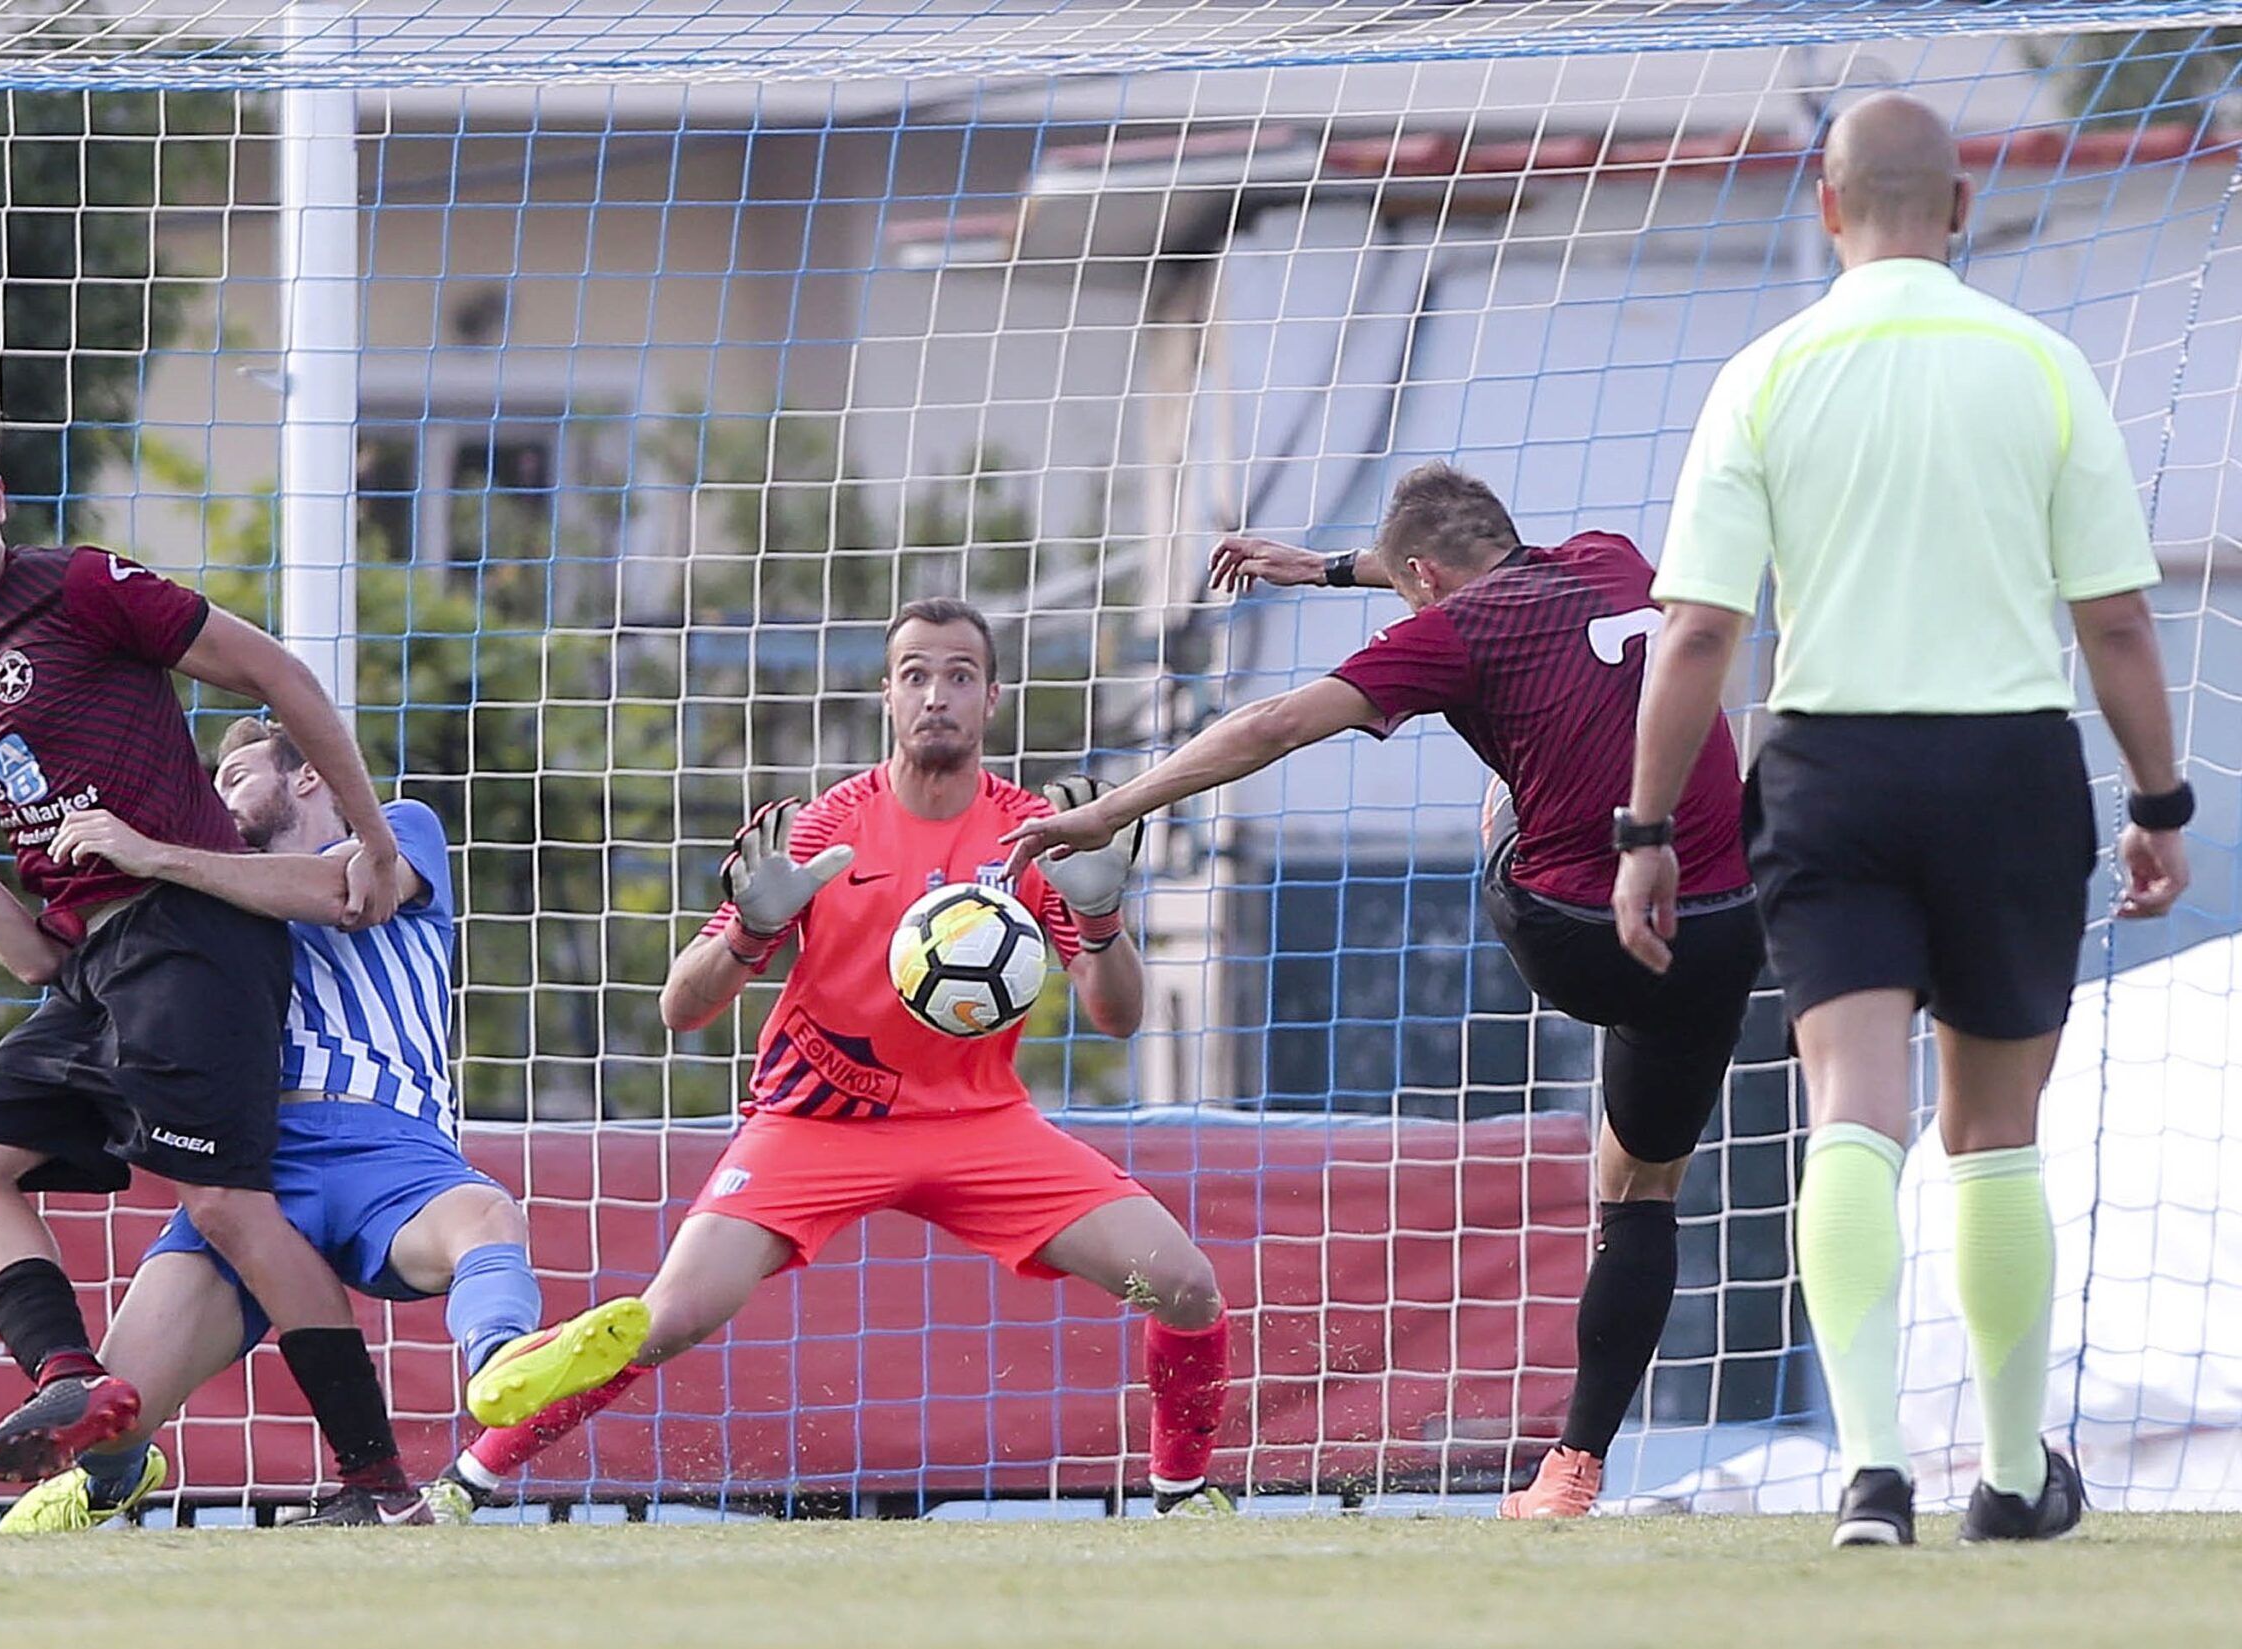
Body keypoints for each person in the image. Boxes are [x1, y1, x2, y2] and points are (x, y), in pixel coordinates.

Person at [1613, 91, 2189, 1548]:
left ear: (1825, 204)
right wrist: (2161, 801)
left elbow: (1695, 636)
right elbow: (2115, 620)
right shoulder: (2045, 367)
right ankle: (2006, 1479)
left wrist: (1644, 829)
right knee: (1995, 1131)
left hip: (1831, 772)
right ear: (1962, 204)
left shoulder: (1765, 371)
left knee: (1848, 1111)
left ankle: (1870, 1469)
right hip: (2008, 771)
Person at [1005, 463, 1764, 1519]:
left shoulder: (1449, 633)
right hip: (1716, 924)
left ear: (1418, 578)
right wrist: (1322, 571)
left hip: (1574, 930)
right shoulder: (1610, 554)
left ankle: (1568, 1472)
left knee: (1505, 796)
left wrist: (1109, 811)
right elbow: (1440, 552)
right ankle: (1571, 1471)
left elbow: (1271, 725)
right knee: (1638, 1194)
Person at [432, 596, 1236, 1518]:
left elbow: (1118, 1015)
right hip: (816, 1125)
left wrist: (1098, 917)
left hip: (981, 1129)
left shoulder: (1033, 832)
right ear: (887, 695)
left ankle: (1181, 1492)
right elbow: (679, 1008)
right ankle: (468, 1483)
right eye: (916, 675)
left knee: (1178, 1284)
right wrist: (752, 928)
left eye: (960, 676)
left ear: (993, 698)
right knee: (665, 1323)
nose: (938, 694)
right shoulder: (824, 828)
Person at [0, 367, 422, 1520]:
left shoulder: (78, 587)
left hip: (195, 934)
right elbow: (27, 954)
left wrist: (367, 836)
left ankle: (375, 1479)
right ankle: (82, 1393)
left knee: (226, 1205)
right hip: (93, 974)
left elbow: (276, 671)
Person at [0, 717, 648, 1530]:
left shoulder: (397, 829)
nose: (219, 796)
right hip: (250, 1170)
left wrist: (152, 851)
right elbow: (50, 959)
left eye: (236, 776)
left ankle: (503, 1355)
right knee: (113, 1407)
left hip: (389, 1145)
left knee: (484, 1214)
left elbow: (342, 894)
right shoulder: (201, 897)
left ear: (306, 778)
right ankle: (109, 1477)